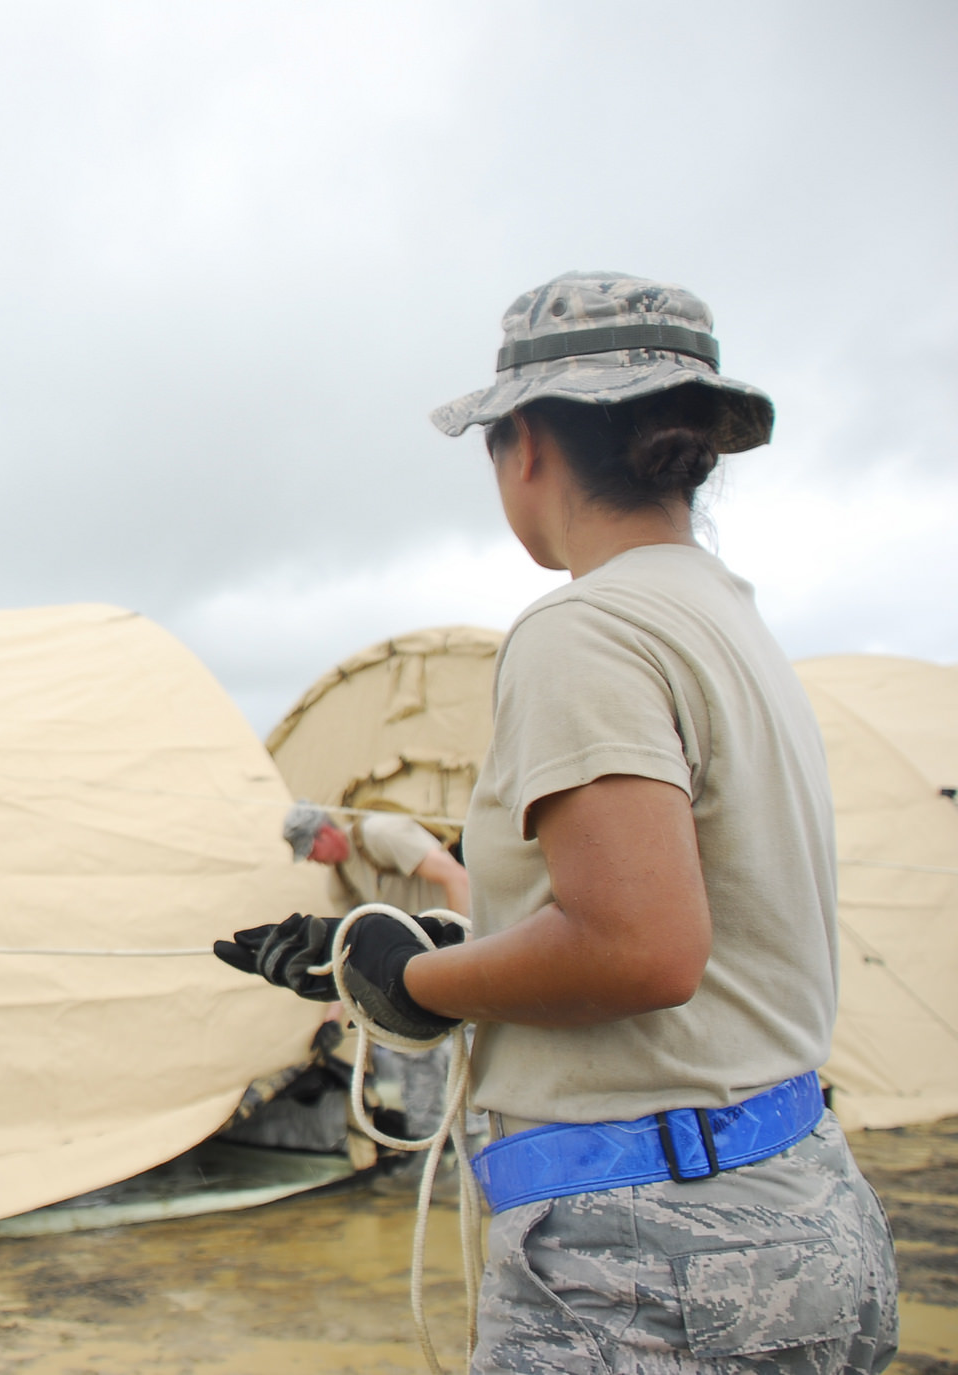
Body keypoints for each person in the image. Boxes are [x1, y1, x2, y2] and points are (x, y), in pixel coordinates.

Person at [220, 272, 897, 1374]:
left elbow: (638, 946)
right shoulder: (728, 621)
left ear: (524, 443)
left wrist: (409, 980)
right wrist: (445, 949)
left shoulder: (584, 630)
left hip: (648, 1259)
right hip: (795, 1210)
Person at [282, 800, 470, 1150]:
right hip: (414, 972)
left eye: (310, 849)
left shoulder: (381, 834)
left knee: (469, 1063)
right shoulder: (340, 881)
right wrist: (332, 1021)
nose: (311, 859)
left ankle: (474, 1149)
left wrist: (465, 955)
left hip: (454, 952)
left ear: (326, 832)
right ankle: (431, 1148)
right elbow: (348, 953)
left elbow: (456, 877)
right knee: (413, 1056)